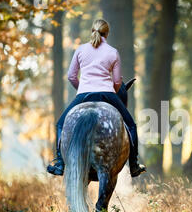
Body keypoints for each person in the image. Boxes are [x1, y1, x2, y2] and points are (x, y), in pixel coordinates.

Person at [47, 19, 146, 178]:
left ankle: (59, 163)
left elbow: (71, 76)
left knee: (60, 124)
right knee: (131, 125)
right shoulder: (113, 52)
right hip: (107, 94)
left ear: (92, 31)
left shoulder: (80, 50)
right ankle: (134, 164)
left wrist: (82, 89)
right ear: (107, 33)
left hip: (84, 94)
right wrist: (111, 93)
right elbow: (117, 81)